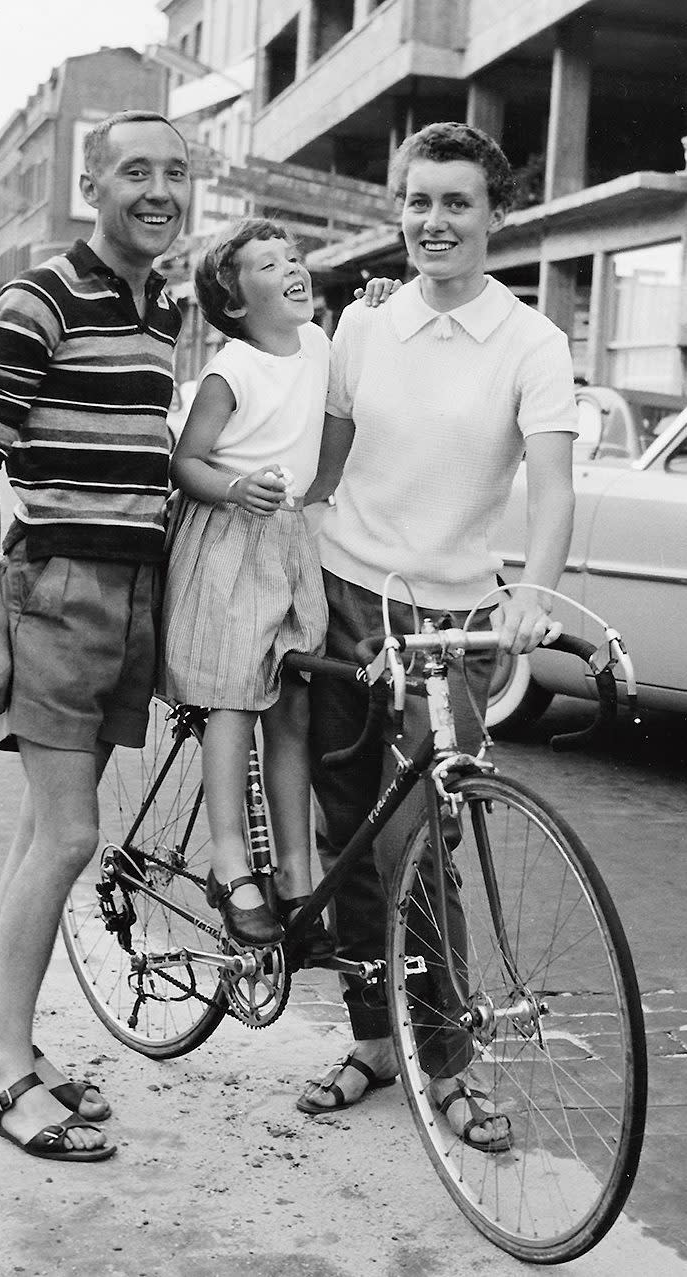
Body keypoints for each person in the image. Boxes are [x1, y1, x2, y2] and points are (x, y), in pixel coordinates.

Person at [298, 122, 577, 1148]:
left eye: (457, 201)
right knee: (348, 833)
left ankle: (449, 1058)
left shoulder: (533, 341)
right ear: (398, 208)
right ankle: (377, 1039)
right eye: (418, 200)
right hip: (341, 595)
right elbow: (323, 469)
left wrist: (532, 592)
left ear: (496, 214)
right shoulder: (364, 325)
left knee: (424, 839)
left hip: (451, 621)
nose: (433, 220)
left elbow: (552, 485)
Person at [0, 109, 191, 1161]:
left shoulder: (161, 308)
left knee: (37, 833)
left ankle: (10, 1041)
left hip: (130, 593)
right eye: (135, 169)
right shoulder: (40, 295)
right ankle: (8, 1067)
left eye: (175, 173)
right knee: (70, 834)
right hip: (53, 594)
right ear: (91, 182)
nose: (157, 189)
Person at [162, 219, 395, 956]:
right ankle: (229, 858)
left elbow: (345, 400)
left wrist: (377, 302)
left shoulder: (323, 343)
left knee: (289, 700)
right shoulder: (230, 370)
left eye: (293, 256)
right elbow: (186, 461)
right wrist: (236, 487)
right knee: (235, 695)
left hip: (291, 537)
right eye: (268, 263)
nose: (292, 266)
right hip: (230, 532)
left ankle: (297, 869)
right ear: (235, 303)